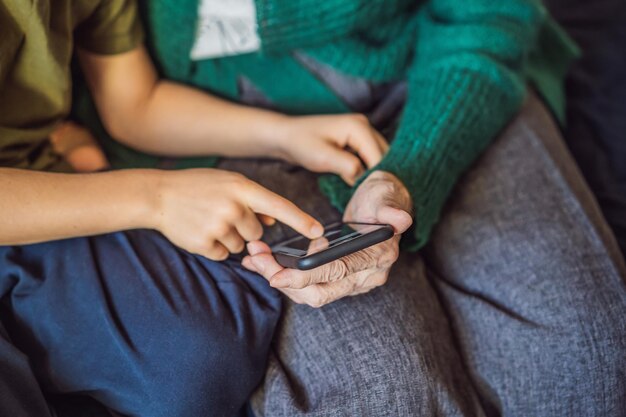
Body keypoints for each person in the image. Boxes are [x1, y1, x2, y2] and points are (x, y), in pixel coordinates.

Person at [0, 1, 624, 417]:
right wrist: (164, 185)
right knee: (383, 391)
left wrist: (408, 173)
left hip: (445, 73)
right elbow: (128, 103)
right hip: (210, 118)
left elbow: (485, 17)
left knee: (588, 359)